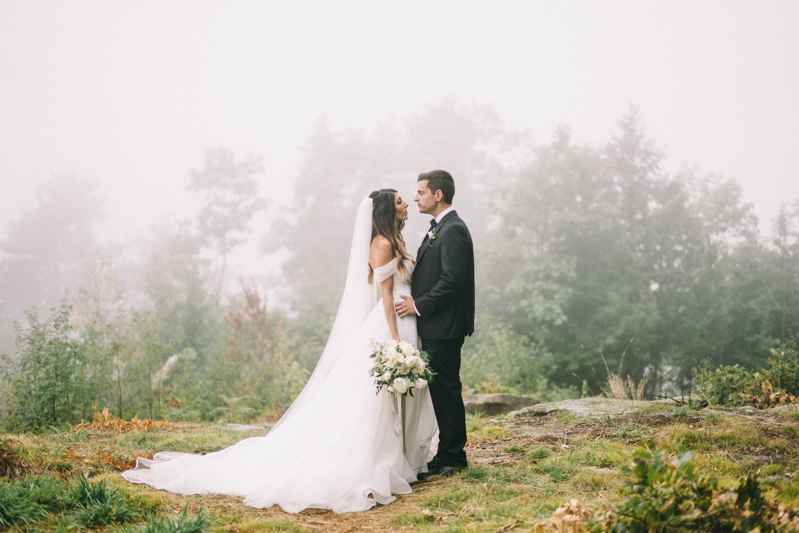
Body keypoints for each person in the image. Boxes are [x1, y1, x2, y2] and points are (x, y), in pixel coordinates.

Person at [122, 190, 438, 514]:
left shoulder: (393, 240)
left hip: (404, 319)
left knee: (392, 394)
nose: (407, 205)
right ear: (388, 210)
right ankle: (380, 457)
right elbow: (386, 296)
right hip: (392, 324)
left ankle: (402, 456)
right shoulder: (383, 244)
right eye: (400, 201)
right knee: (378, 399)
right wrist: (395, 340)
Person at [395, 170, 475, 477]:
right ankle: (446, 454)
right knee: (440, 389)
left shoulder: (453, 229)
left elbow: (452, 280)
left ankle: (454, 457)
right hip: (436, 324)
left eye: (420, 192)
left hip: (444, 325)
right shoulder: (440, 228)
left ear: (437, 194)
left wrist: (417, 305)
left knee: (447, 389)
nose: (415, 197)